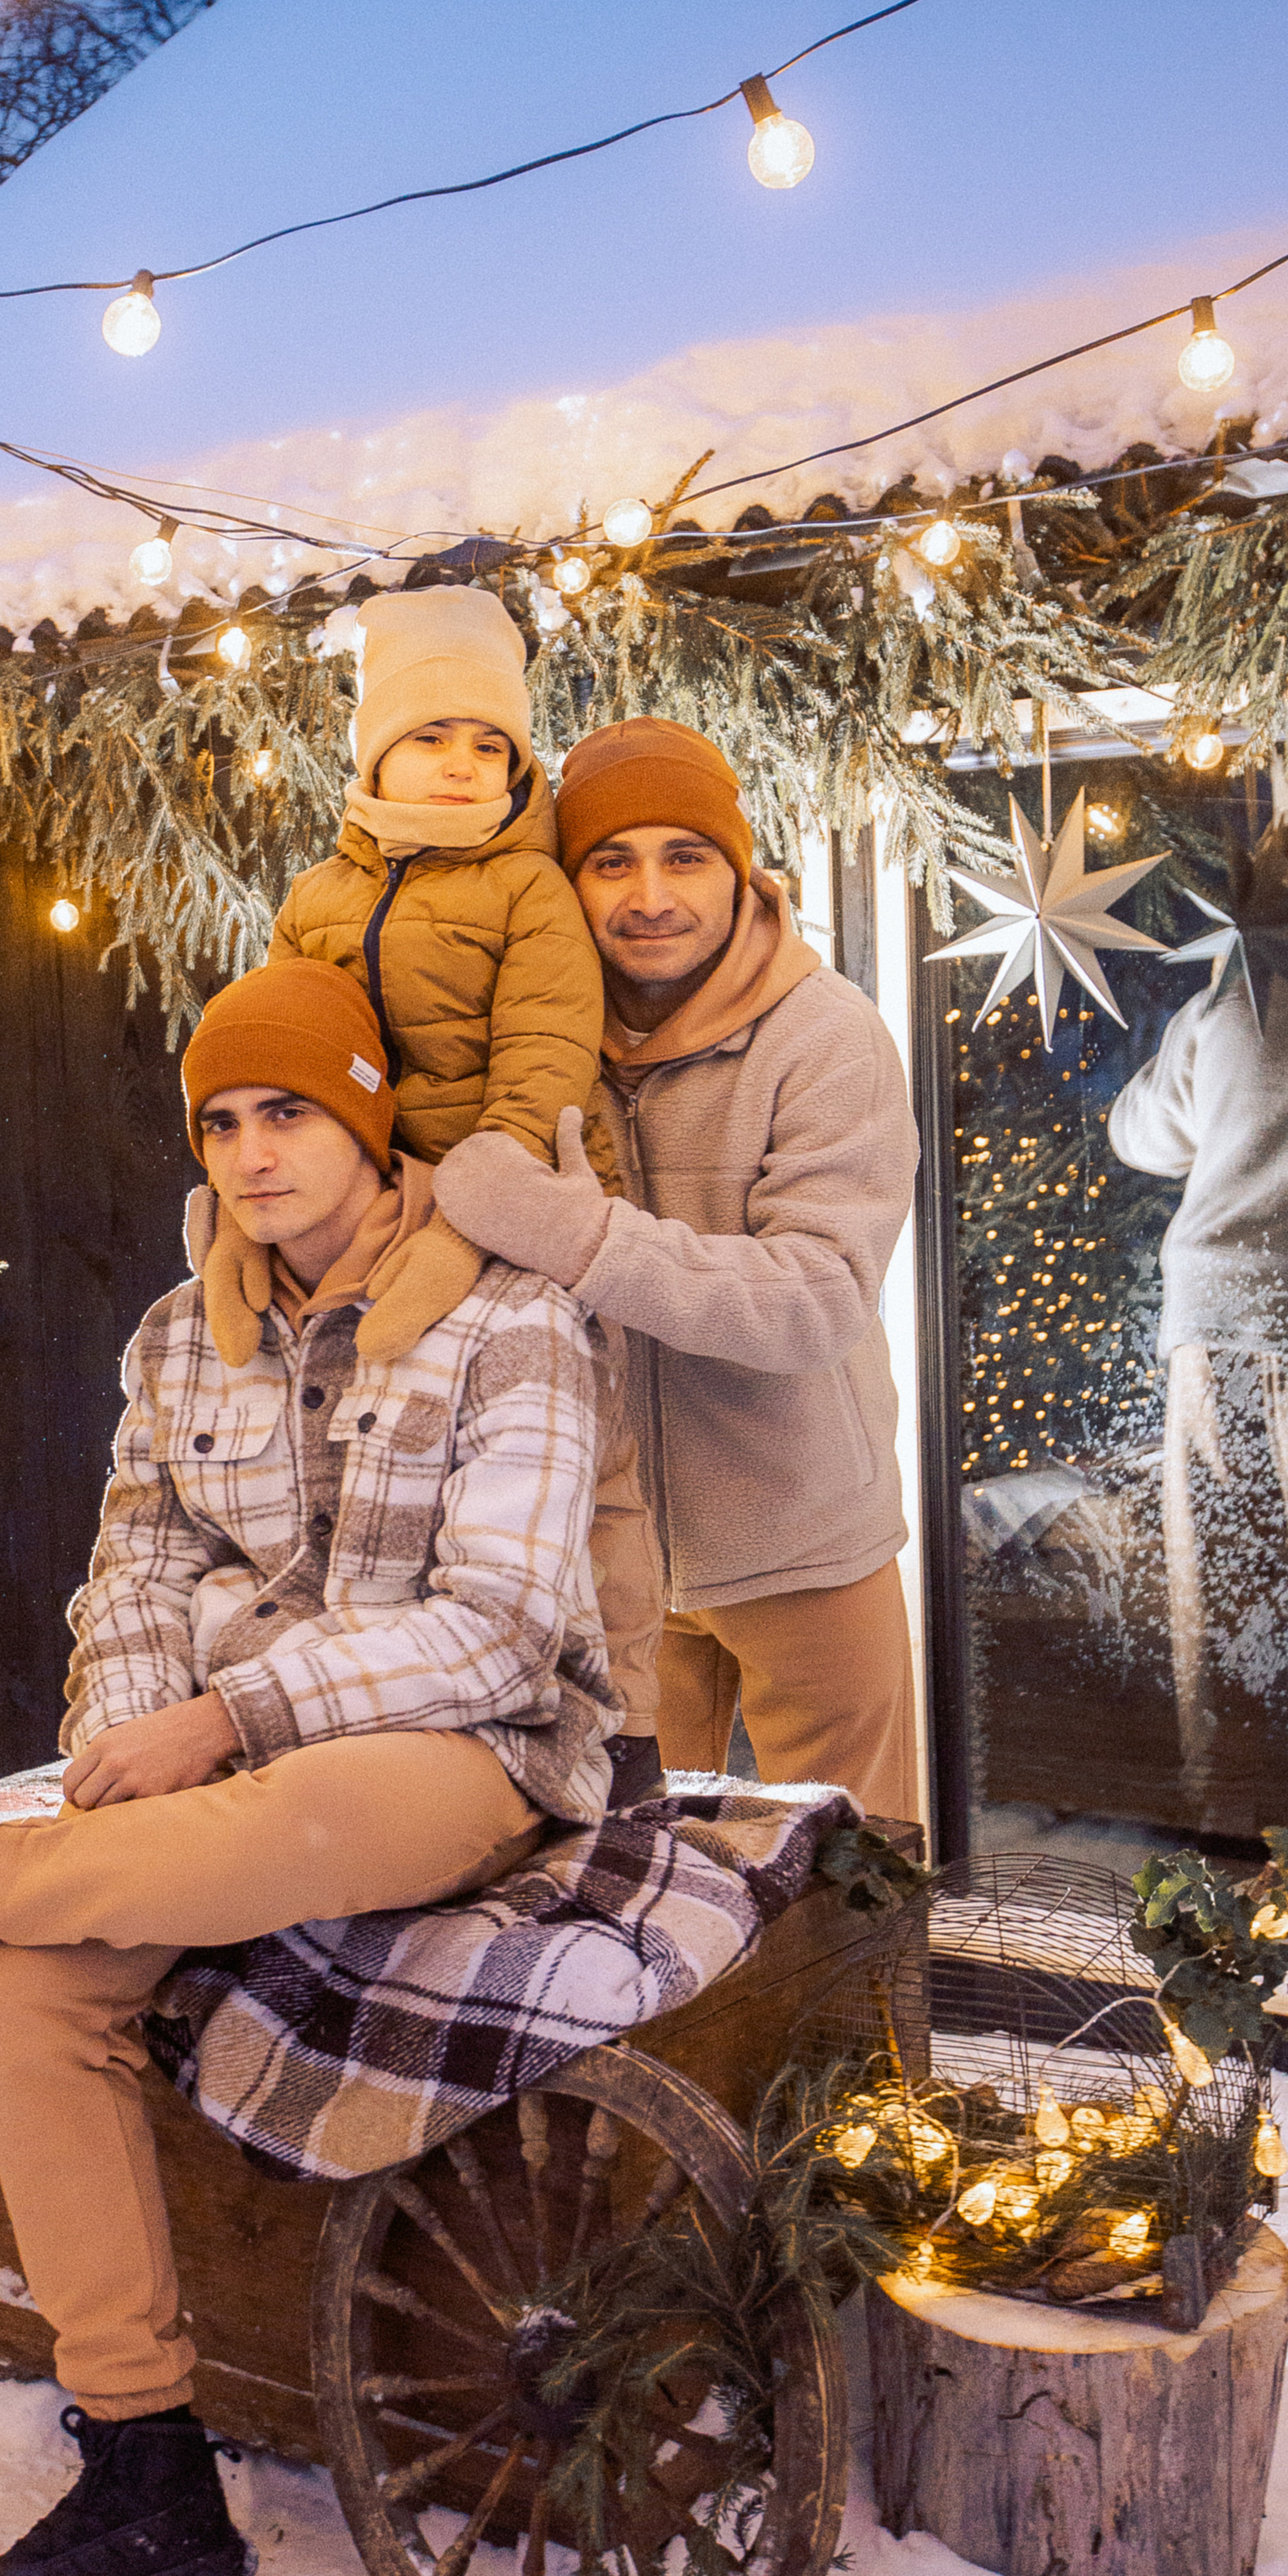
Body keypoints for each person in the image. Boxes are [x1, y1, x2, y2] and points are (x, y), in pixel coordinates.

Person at [0, 957, 617, 2576]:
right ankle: (144, 2476)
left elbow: (499, 1628)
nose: (253, 1153)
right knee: (28, 1990)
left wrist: (233, 1716)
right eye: (220, 1123)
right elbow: (132, 1577)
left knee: (296, 1812)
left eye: (290, 1114)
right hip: (219, 1776)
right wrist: (137, 1736)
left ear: (366, 1124)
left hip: (453, 1746)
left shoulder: (514, 1322)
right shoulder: (179, 1337)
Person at [433, 717, 921, 1825]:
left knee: (858, 1877)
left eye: (684, 857)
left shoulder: (826, 1036)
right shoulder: (535, 1046)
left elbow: (818, 1300)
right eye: (611, 862)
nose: (650, 896)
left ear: (737, 867)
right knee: (626, 1870)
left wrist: (588, 1242)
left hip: (804, 1540)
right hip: (600, 1553)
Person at [1108, 785, 1288, 1826]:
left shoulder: (1237, 997)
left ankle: (1237, 1833)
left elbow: (1140, 1134)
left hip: (1216, 1325)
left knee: (1226, 1589)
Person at [252, 580, 614, 1365]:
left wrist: (465, 1226)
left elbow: (545, 1062)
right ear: (378, 755)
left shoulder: (527, 886)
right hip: (366, 1202)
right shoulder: (316, 898)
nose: (462, 766)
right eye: (431, 738)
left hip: (509, 1201)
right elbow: (280, 1059)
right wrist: (261, 1217)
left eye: (489, 747)